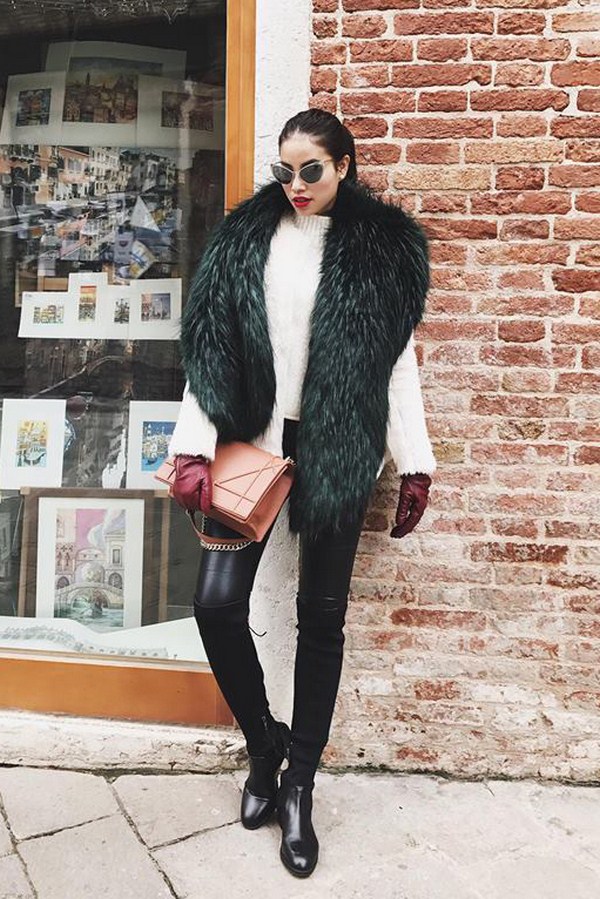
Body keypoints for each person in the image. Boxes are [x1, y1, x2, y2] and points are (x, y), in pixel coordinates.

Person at [168, 109, 436, 878]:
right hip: (252, 441)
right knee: (216, 604)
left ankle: (300, 786)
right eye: (284, 170)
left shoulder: (378, 248)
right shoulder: (249, 236)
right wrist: (192, 446)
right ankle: (264, 746)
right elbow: (212, 346)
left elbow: (396, 364)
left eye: (310, 169)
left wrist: (414, 462)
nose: (295, 184)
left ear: (344, 165)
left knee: (322, 618)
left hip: (338, 446)